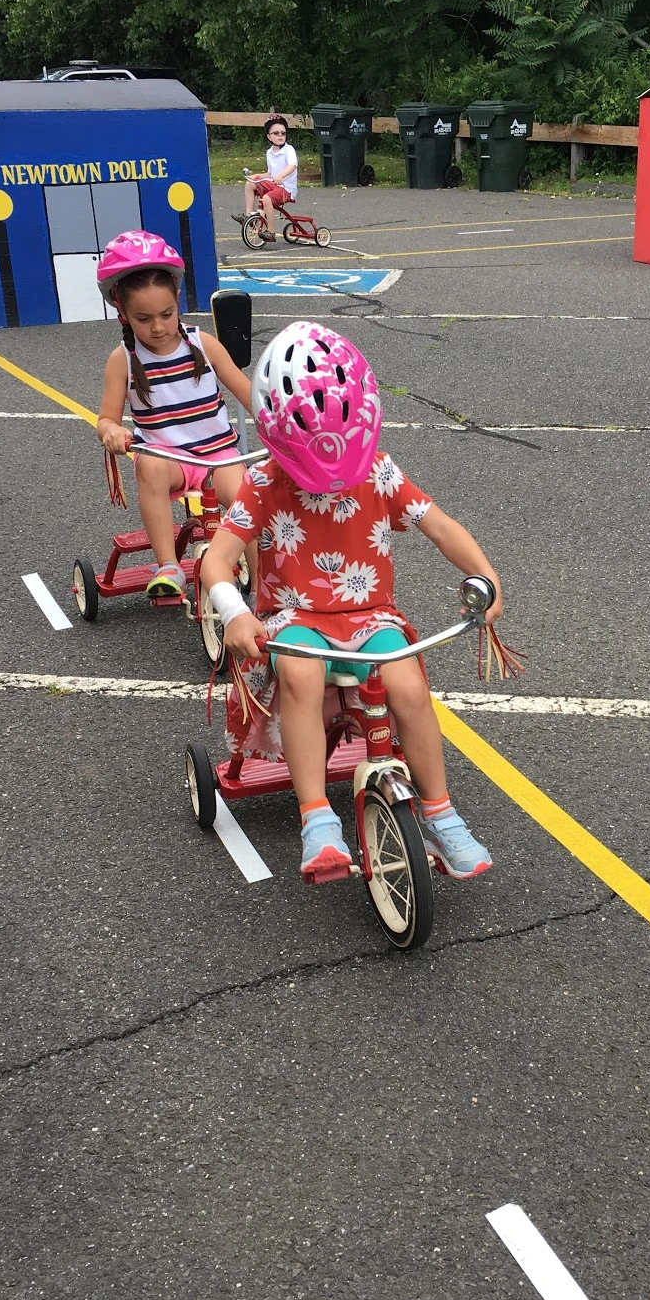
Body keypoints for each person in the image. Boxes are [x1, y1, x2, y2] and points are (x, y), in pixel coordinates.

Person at [200, 321, 502, 881]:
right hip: (294, 614)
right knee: (300, 674)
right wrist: (236, 613)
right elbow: (216, 559)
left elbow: (439, 527)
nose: (334, 483)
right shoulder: (263, 482)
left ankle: (440, 812)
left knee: (407, 684)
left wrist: (484, 575)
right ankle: (316, 817)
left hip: (370, 615)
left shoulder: (379, 472)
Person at [95, 231, 255, 601]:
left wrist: (281, 421)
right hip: (169, 460)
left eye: (166, 314)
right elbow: (106, 418)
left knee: (250, 503)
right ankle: (168, 565)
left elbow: (247, 392)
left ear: (177, 300)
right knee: (149, 466)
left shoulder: (202, 343)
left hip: (219, 456)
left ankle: (266, 593)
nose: (157, 327)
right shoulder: (123, 360)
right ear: (122, 313)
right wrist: (111, 432)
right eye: (143, 318)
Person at [235, 115, 298, 232]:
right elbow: (271, 174)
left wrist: (281, 176)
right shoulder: (269, 152)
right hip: (274, 185)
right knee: (250, 184)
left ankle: (271, 231)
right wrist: (257, 176)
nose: (280, 136)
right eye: (276, 133)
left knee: (266, 198)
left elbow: (292, 166)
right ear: (269, 137)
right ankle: (248, 215)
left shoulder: (288, 150)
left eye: (283, 133)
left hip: (286, 189)